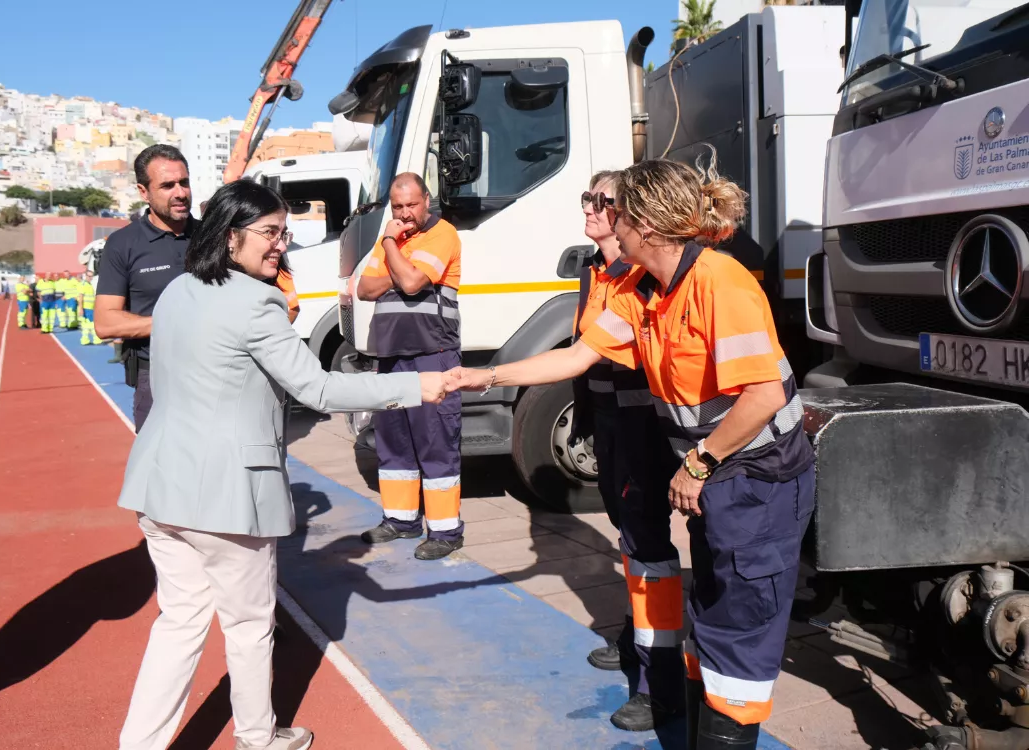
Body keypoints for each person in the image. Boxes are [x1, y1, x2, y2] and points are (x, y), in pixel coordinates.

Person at [448, 155, 815, 749]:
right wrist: (484, 378)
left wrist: (698, 464)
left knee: (740, 632)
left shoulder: (719, 282)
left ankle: (724, 734)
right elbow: (576, 358)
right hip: (723, 476)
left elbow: (764, 395)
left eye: (616, 213)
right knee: (717, 620)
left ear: (647, 223)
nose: (607, 222)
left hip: (758, 476)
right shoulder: (645, 289)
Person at [116, 181, 451, 750]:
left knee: (178, 624)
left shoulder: (174, 292)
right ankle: (257, 737)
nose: (280, 246)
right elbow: (318, 387)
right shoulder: (257, 302)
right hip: (228, 493)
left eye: (283, 234)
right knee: (248, 627)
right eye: (270, 234)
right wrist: (419, 384)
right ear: (230, 238)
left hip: (160, 483)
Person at [570, 173, 685, 732]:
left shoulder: (635, 278)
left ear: (630, 214)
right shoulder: (597, 271)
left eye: (602, 201)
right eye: (587, 199)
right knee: (630, 537)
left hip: (642, 428)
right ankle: (640, 635)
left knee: (646, 544)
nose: (591, 209)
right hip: (612, 420)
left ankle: (659, 676)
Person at [356, 173, 464, 561]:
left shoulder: (443, 233)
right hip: (390, 354)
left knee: (436, 442)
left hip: (432, 353)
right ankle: (401, 521)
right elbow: (364, 289)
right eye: (397, 207)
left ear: (427, 200)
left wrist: (388, 244)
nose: (404, 214)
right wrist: (396, 270)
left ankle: (446, 531)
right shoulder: (393, 241)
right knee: (394, 442)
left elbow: (415, 282)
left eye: (411, 205)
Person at [95, 145, 197, 432]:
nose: (180, 193)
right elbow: (105, 322)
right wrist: (174, 323)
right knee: (160, 469)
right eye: (167, 185)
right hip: (155, 379)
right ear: (144, 192)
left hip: (216, 374)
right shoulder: (122, 244)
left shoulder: (210, 236)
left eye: (184, 183)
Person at [77, 270, 102, 345]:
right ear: (85, 276)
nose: (90, 278)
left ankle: (86, 340)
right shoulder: (83, 284)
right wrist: (81, 308)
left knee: (87, 325)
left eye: (91, 276)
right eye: (89, 276)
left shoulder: (89, 284)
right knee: (90, 324)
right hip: (86, 308)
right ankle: (94, 339)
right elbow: (81, 297)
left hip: (91, 308)